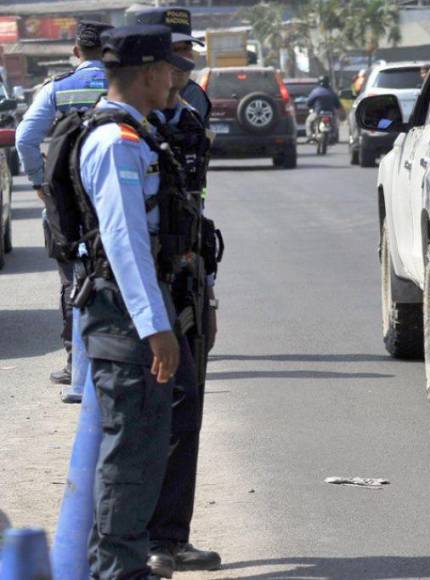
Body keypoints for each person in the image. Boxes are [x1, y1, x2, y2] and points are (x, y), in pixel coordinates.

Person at [75, 24, 199, 579]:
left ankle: (125, 564)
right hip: (128, 320)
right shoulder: (115, 141)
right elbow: (125, 243)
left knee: (146, 448)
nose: (176, 80)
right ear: (149, 73)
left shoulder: (138, 131)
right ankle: (117, 571)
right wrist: (156, 328)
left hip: (138, 315)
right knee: (130, 457)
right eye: (169, 70)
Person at [133, 7, 222, 576]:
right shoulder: (121, 123)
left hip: (187, 282)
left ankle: (170, 536)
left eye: (186, 52)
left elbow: (195, 203)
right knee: (138, 419)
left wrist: (204, 285)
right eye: (173, 54)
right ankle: (133, 542)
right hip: (138, 294)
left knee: (186, 413)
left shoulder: (192, 113)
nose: (183, 64)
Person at [15, 20, 112, 389]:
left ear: (76, 51)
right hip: (115, 193)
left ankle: (77, 363)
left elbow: (25, 137)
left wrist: (41, 181)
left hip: (67, 202)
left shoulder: (57, 88)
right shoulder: (126, 85)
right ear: (110, 51)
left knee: (73, 280)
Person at [305, 75, 342, 140]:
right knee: (335, 122)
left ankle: (310, 136)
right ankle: (334, 135)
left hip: (318, 112)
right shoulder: (332, 92)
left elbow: (308, 102)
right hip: (331, 113)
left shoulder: (315, 91)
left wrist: (310, 106)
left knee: (309, 121)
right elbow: (338, 104)